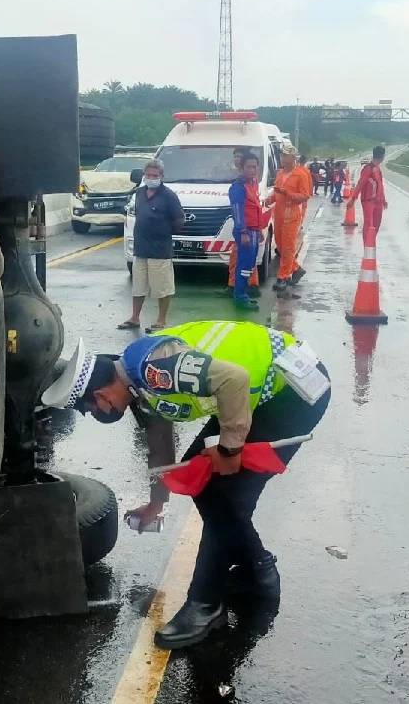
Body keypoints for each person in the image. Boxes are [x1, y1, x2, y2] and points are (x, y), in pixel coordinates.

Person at [41, 321, 331, 648]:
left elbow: (234, 380)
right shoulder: (136, 386)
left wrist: (230, 448)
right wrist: (157, 502)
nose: (96, 414)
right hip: (256, 390)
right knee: (206, 480)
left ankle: (206, 604)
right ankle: (257, 568)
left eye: (91, 410)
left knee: (225, 495)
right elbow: (161, 446)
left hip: (293, 389)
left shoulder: (154, 369)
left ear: (101, 395)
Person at [118, 159, 184, 332]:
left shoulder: (169, 196)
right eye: (148, 175)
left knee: (162, 288)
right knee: (138, 286)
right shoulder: (139, 193)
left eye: (155, 175)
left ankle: (161, 321)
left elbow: (179, 220)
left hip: (160, 250)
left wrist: (163, 230)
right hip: (141, 249)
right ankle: (134, 318)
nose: (151, 178)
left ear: (161, 176)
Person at [268, 145, 312, 291]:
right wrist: (270, 199)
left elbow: (305, 196)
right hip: (279, 214)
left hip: (291, 216)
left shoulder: (301, 174)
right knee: (280, 246)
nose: (282, 158)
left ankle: (283, 276)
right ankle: (296, 269)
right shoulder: (280, 173)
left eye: (285, 155)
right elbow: (277, 191)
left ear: (293, 158)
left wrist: (288, 194)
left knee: (287, 247)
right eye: (281, 155)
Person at [227, 153, 264, 310]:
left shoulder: (252, 184)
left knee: (249, 264)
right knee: (244, 264)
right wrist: (242, 232)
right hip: (245, 231)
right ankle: (240, 297)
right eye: (249, 167)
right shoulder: (238, 187)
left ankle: (243, 293)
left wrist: (260, 229)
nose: (252, 170)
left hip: (254, 230)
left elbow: (255, 207)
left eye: (255, 167)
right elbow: (237, 211)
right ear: (241, 168)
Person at [346, 146, 388, 233]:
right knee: (369, 224)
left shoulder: (378, 169)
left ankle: (371, 244)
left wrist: (383, 200)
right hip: (368, 200)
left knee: (376, 225)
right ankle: (367, 244)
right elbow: (360, 184)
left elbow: (380, 186)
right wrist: (353, 199)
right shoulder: (368, 169)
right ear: (382, 156)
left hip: (378, 201)